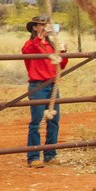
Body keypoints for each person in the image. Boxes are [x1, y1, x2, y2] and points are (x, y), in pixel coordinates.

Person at [22, 15, 67, 168]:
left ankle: (50, 154)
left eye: (47, 25)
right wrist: (38, 39)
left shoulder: (51, 46)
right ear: (35, 27)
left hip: (52, 85)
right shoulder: (30, 44)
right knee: (36, 122)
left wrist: (63, 53)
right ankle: (33, 156)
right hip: (37, 86)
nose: (45, 27)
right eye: (41, 25)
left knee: (53, 121)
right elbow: (27, 51)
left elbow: (60, 65)